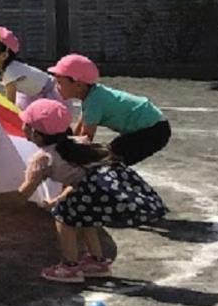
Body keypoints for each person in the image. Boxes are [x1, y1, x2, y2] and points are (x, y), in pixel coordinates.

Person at [18, 99, 166, 283]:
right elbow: (80, 179)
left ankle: (70, 266)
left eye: (25, 122)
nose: (21, 124)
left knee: (64, 217)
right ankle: (97, 262)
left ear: (36, 134)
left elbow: (22, 195)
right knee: (85, 216)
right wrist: (57, 199)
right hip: (106, 187)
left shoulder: (43, 158)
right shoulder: (76, 144)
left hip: (95, 189)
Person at [51, 54, 172, 166]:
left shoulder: (94, 102)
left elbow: (85, 139)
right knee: (110, 155)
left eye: (60, 83)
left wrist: (63, 150)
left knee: (110, 160)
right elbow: (80, 126)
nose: (57, 87)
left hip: (153, 131)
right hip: (152, 126)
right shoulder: (92, 96)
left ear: (78, 85)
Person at [0, 26, 61, 111]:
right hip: (29, 94)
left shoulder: (10, 71)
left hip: (49, 89)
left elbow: (10, 102)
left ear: (3, 56)